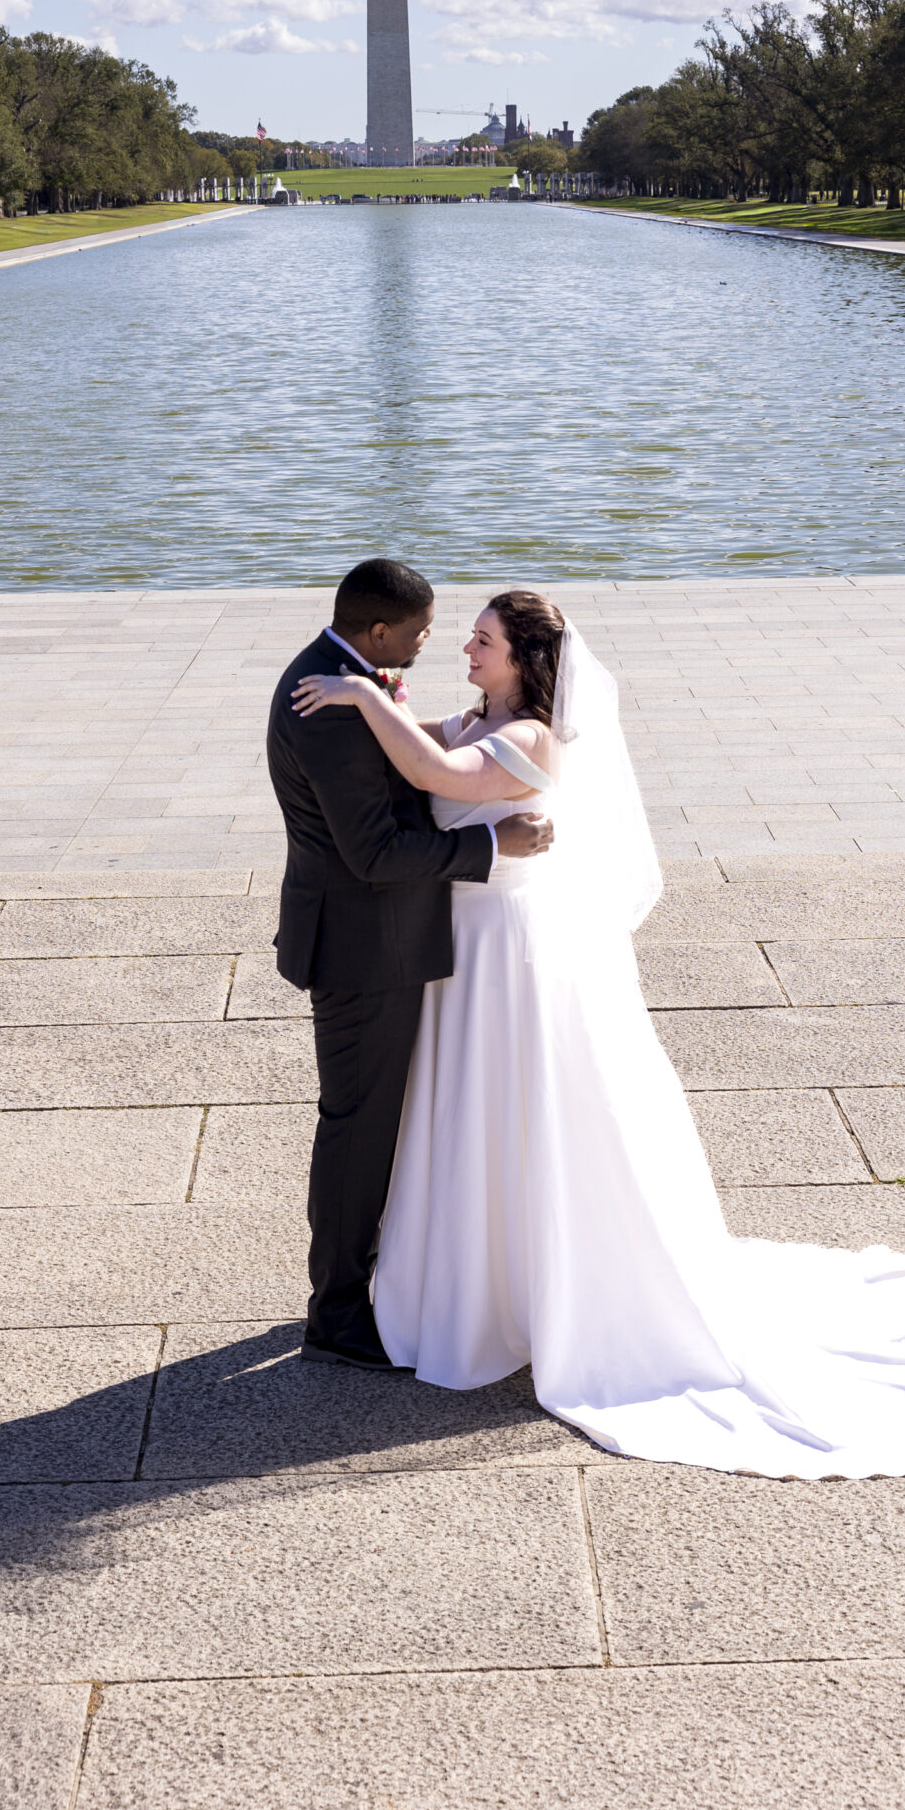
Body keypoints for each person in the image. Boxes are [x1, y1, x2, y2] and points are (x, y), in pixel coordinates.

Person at [290, 589, 905, 1479]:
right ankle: (472, 1283)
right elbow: (431, 747)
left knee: (525, 1109)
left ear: (525, 660)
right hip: (464, 952)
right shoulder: (477, 714)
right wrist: (387, 703)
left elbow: (439, 779)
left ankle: (540, 1288)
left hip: (511, 953)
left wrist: (364, 699)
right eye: (468, 637)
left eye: (482, 641)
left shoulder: (534, 740)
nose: (466, 650)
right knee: (469, 1118)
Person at [265, 557, 553, 1369]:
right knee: (358, 1130)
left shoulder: (343, 677)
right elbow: (374, 852)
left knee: (383, 1122)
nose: (439, 642)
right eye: (428, 630)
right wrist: (490, 843)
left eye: (470, 636)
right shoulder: (331, 701)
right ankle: (337, 1314)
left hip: (385, 939)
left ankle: (369, 1283)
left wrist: (383, 702)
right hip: (364, 946)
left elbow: (420, 763)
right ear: (381, 629)